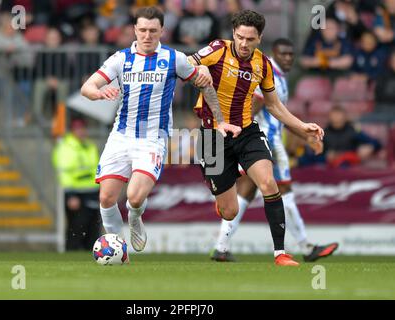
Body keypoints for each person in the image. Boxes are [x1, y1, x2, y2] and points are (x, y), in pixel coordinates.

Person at [81, 6, 240, 252]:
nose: (147, 35)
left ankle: (135, 217)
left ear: (162, 31)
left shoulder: (173, 58)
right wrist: (99, 93)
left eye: (152, 31)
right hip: (121, 136)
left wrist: (218, 120)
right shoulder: (120, 59)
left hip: (152, 139)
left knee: (134, 197)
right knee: (106, 197)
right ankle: (117, 248)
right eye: (142, 30)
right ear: (134, 29)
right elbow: (87, 87)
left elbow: (204, 84)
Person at [189, 10, 324, 266]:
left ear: (259, 38)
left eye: (250, 39)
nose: (243, 43)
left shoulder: (263, 64)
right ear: (233, 34)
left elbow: (273, 106)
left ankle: (280, 254)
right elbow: (186, 63)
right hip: (212, 135)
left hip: (247, 132)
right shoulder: (217, 49)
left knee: (268, 183)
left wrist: (302, 126)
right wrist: (196, 71)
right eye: (240, 37)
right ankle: (225, 188)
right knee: (230, 211)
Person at [209, 38, 339, 263]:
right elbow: (256, 106)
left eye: (291, 54)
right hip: (264, 142)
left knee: (247, 193)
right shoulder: (269, 73)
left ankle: (221, 247)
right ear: (273, 53)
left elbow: (279, 113)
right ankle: (306, 247)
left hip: (265, 140)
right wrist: (237, 135)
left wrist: (305, 135)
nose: (288, 58)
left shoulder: (278, 77)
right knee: (283, 189)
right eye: (283, 54)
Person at [52, 118, 103, 251]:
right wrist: (70, 195)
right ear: (72, 131)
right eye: (77, 129)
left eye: (82, 128)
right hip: (76, 194)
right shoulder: (65, 147)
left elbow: (95, 170)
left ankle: (92, 256)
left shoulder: (89, 146)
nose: (81, 132)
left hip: (92, 192)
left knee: (93, 230)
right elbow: (64, 174)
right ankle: (71, 254)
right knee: (77, 229)